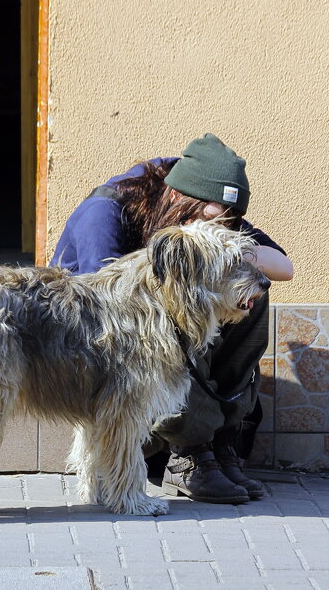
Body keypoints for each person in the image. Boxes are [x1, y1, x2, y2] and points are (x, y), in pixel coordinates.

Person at [50, 133, 293, 504]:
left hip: (150, 378)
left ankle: (219, 441)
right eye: (213, 220)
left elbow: (282, 267)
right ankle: (189, 452)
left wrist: (226, 252)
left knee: (251, 296)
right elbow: (106, 309)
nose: (220, 228)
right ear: (180, 197)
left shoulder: (206, 215)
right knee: (180, 313)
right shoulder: (106, 213)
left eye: (230, 223)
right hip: (98, 366)